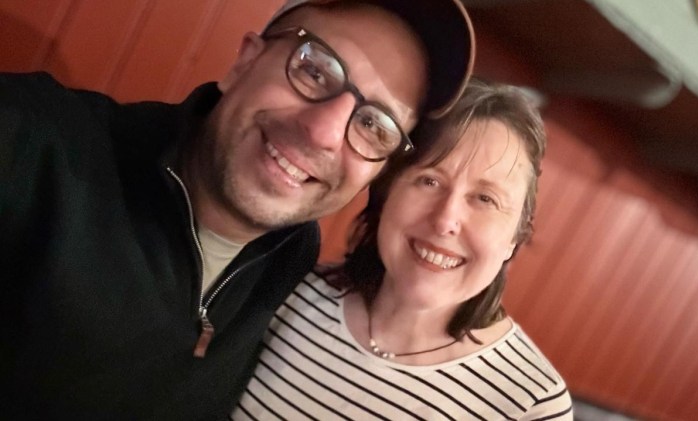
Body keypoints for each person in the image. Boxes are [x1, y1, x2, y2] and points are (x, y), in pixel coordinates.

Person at [0, 1, 474, 419]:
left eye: (375, 125)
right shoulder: (33, 145)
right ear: (245, 61)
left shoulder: (291, 253)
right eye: (314, 70)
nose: (325, 132)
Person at [232, 78, 574, 420]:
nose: (445, 220)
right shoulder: (286, 293)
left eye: (485, 199)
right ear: (386, 194)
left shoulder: (531, 403)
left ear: (515, 236)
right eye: (429, 181)